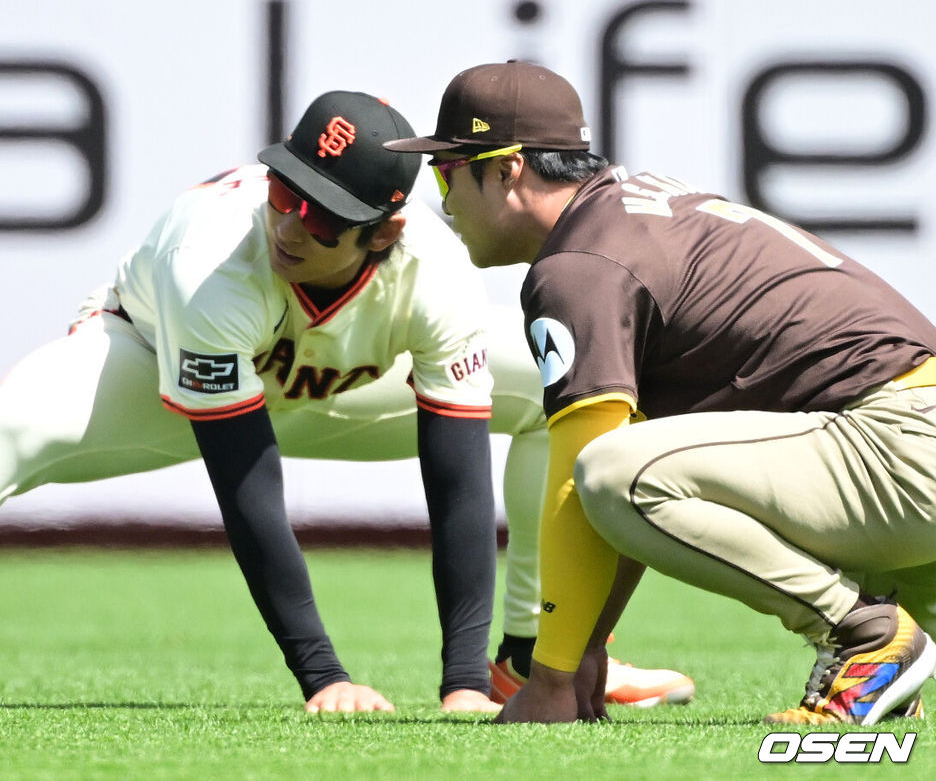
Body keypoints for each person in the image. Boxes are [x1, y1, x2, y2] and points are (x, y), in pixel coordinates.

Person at [0, 89, 690, 713]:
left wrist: (461, 682)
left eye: (321, 214)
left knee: (565, 378)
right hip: (149, 366)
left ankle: (522, 658)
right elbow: (247, 489)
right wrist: (323, 675)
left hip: (339, 383)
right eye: (285, 190)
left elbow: (455, 482)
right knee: (5, 430)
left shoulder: (432, 270)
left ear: (382, 234)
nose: (290, 222)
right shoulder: (213, 260)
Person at [386, 60, 936, 725]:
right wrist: (581, 647)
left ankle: (866, 638)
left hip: (896, 447)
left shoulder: (578, 267)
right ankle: (885, 661)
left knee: (612, 469)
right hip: (897, 450)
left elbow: (589, 481)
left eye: (446, 171)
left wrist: (555, 677)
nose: (440, 199)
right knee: (623, 466)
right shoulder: (630, 210)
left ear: (507, 171)